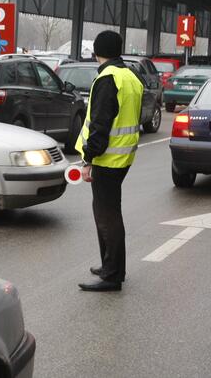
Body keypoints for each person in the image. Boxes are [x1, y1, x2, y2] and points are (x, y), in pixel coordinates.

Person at [75, 30, 143, 292]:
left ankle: (112, 275)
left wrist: (89, 158)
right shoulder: (130, 76)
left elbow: (101, 124)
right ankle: (110, 266)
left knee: (107, 216)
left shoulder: (108, 78)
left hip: (106, 158)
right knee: (106, 212)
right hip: (122, 156)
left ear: (96, 52)